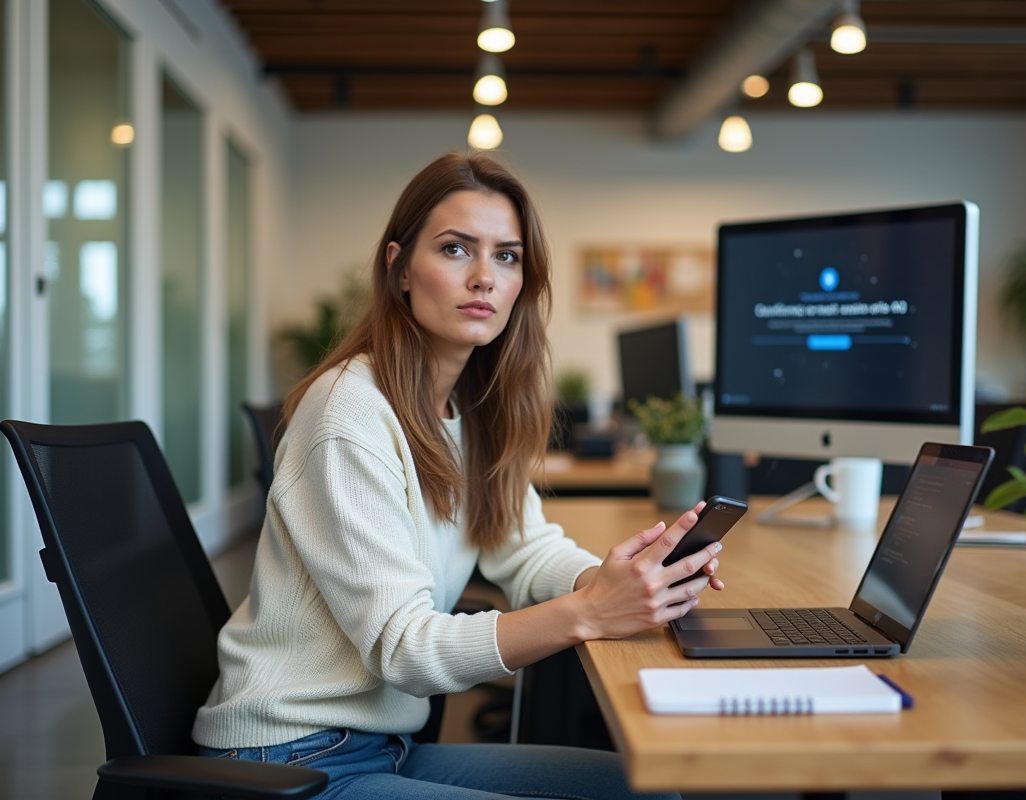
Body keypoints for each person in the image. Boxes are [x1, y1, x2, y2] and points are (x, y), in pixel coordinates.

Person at [193, 151, 724, 800]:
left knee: (647, 789)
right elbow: (405, 650)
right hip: (288, 759)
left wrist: (620, 582)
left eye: (507, 256)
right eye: (455, 250)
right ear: (399, 269)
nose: (485, 277)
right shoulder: (349, 412)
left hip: (384, 748)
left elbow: (522, 547)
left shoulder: (465, 410)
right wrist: (588, 612)